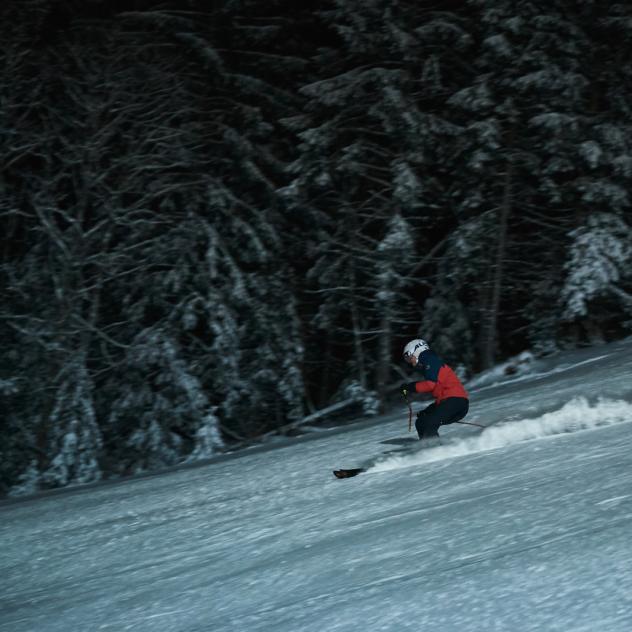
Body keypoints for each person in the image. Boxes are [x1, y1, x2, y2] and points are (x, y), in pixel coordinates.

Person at [400, 339, 469, 441]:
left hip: (456, 401)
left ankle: (434, 449)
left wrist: (409, 387)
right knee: (421, 421)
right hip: (448, 402)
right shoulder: (429, 363)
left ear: (417, 351)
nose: (410, 361)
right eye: (407, 359)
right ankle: (425, 446)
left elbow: (430, 385)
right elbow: (439, 391)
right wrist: (427, 411)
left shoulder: (430, 360)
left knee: (429, 422)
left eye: (409, 357)